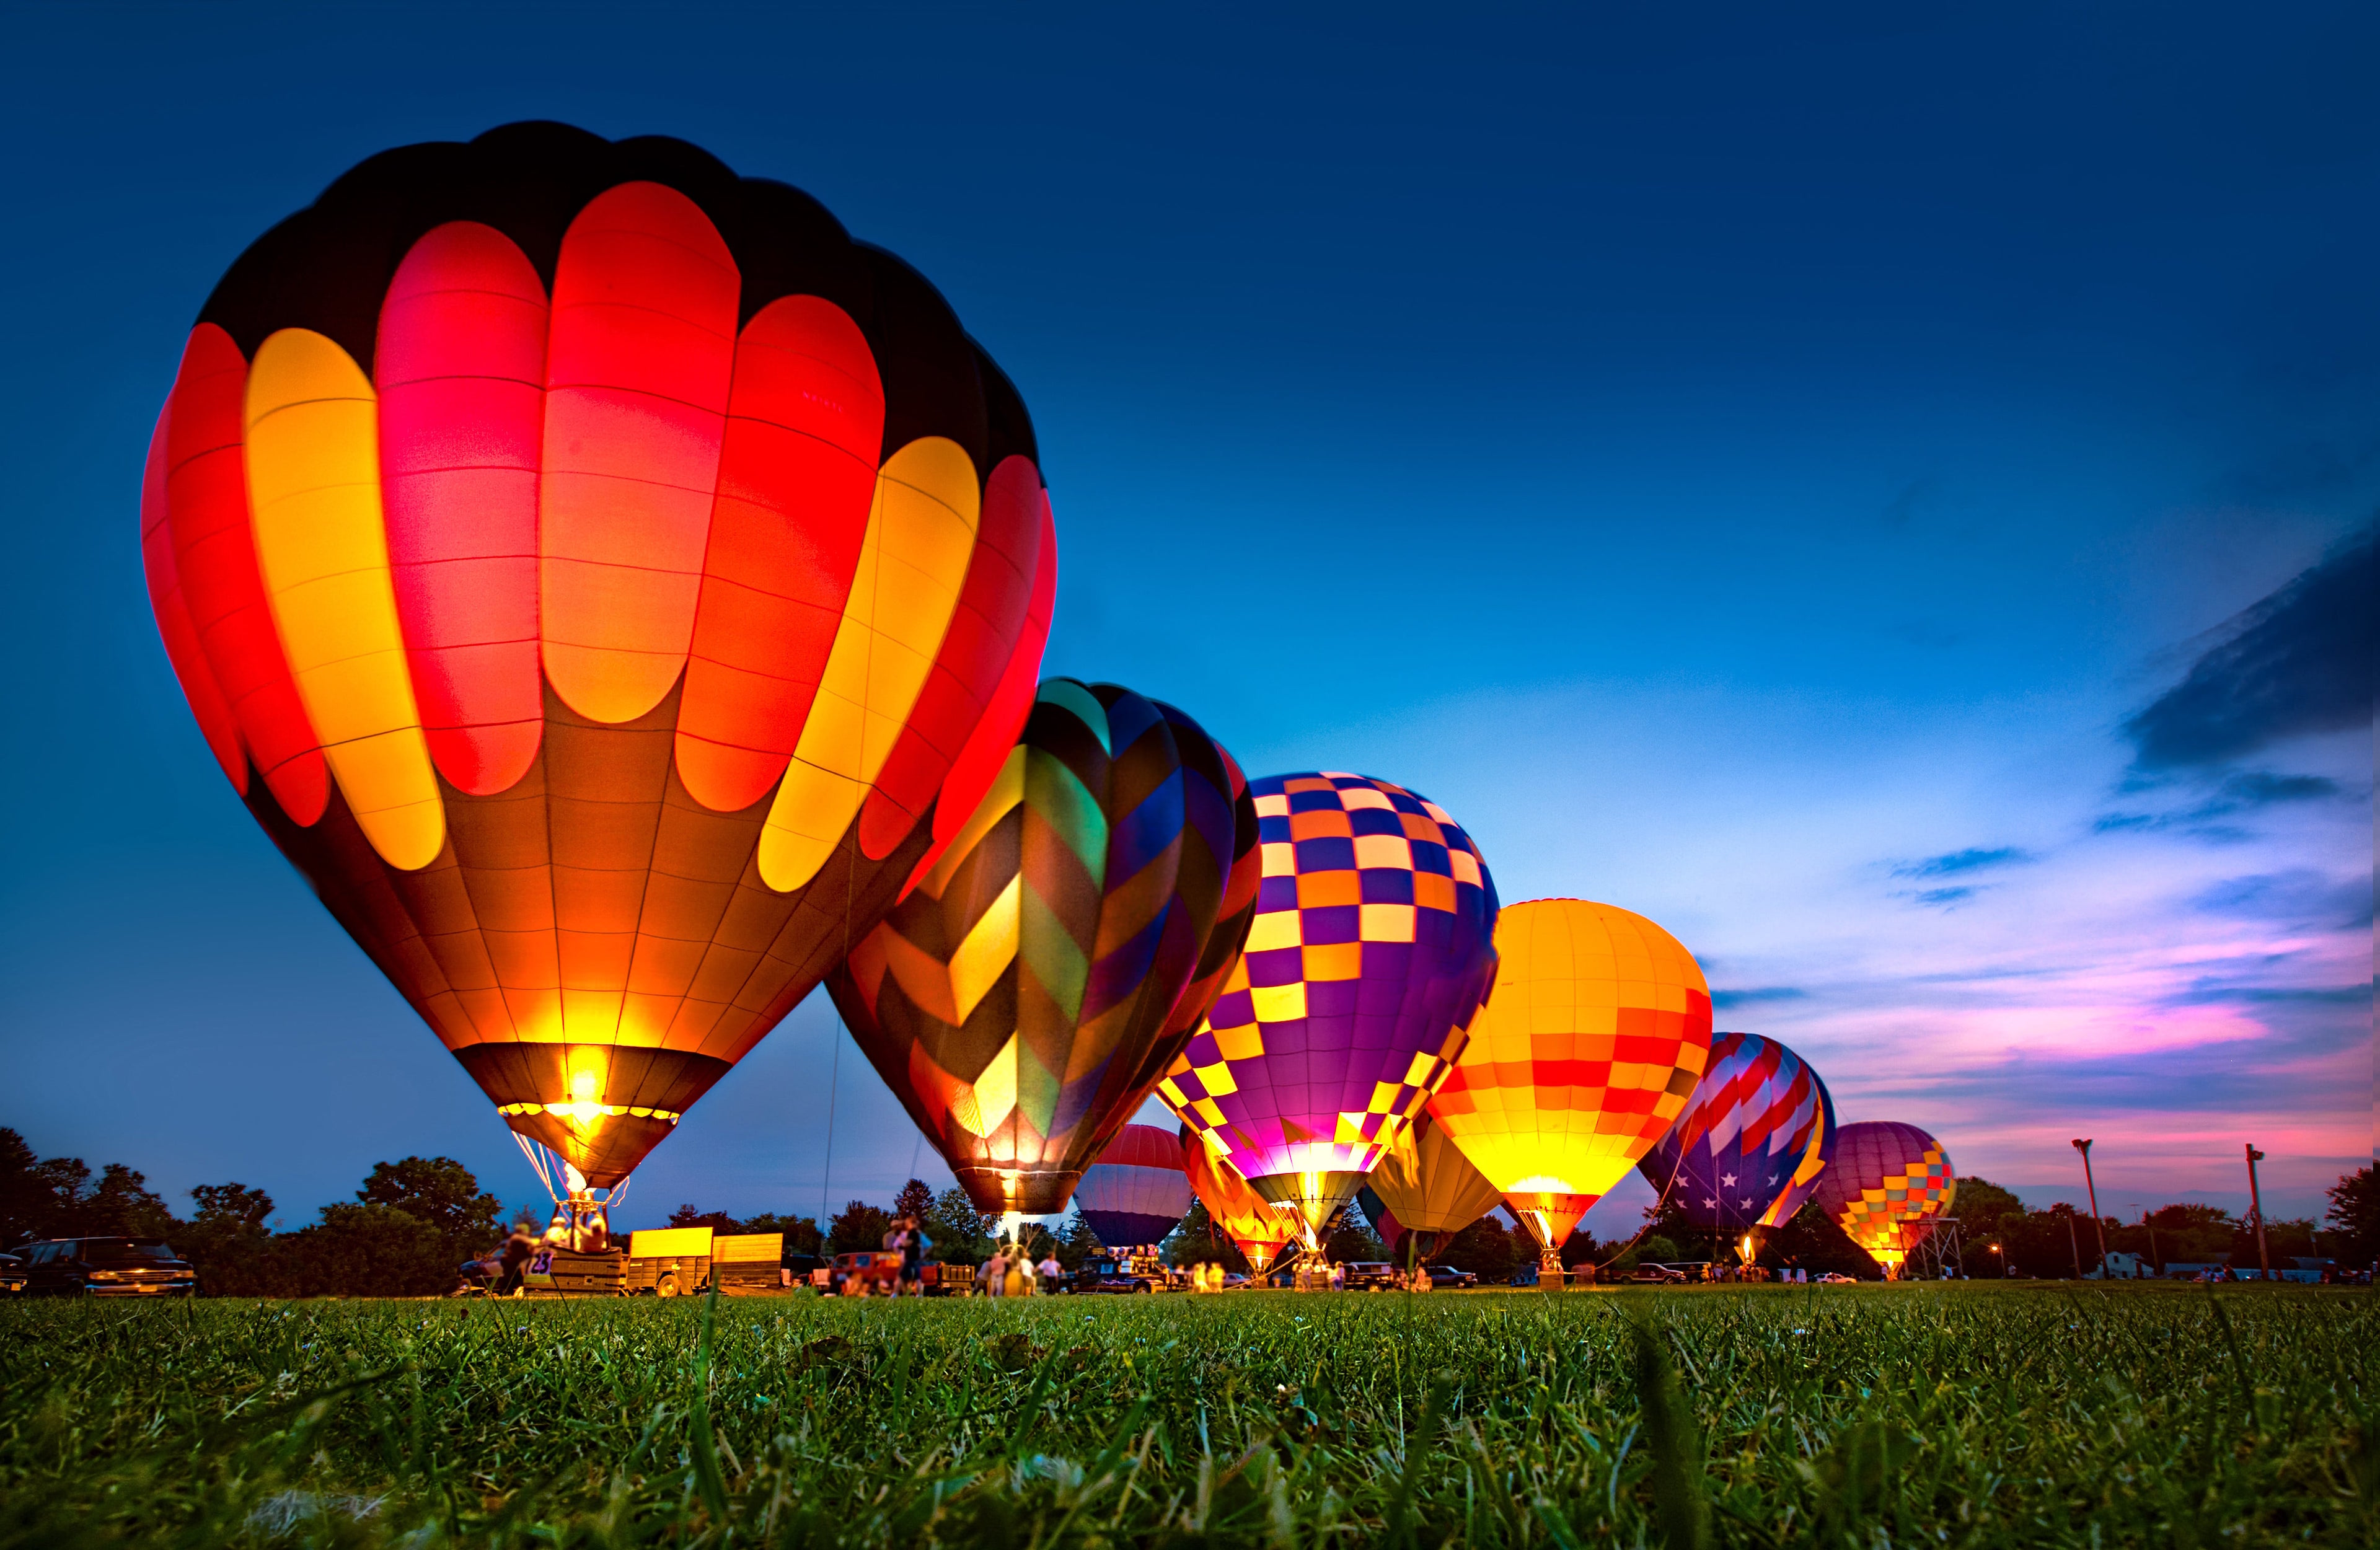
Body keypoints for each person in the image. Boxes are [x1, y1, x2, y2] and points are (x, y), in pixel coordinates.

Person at [493, 1218, 539, 1297]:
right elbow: (531, 1243)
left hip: (512, 1260)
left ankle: (509, 1291)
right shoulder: (518, 1237)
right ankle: (505, 1291)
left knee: (516, 1276)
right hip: (509, 1260)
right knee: (510, 1276)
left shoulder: (516, 1237)